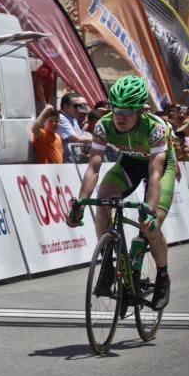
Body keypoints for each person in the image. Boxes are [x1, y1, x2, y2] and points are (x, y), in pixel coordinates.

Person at [67, 75, 175, 310]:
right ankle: (107, 263)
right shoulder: (103, 125)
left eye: (128, 110)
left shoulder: (155, 128)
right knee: (103, 201)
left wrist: (148, 210)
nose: (120, 115)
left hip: (159, 168)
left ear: (141, 110)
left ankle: (163, 276)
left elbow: (155, 174)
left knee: (150, 224)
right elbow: (93, 167)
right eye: (116, 109)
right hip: (130, 163)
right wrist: (80, 203)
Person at [58, 92, 92, 162]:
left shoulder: (73, 119)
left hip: (74, 163)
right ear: (65, 106)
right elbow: (75, 139)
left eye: (80, 106)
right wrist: (98, 139)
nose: (78, 109)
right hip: (65, 164)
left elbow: (81, 136)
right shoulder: (61, 118)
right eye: (76, 106)